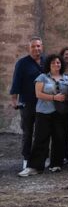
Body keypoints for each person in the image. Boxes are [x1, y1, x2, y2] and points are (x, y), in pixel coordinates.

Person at [18, 54, 68, 176]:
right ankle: (34, 167)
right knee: (40, 139)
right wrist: (54, 97)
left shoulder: (66, 78)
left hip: (59, 113)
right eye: (53, 62)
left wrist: (65, 97)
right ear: (48, 65)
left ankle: (56, 164)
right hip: (44, 112)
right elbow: (38, 94)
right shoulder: (42, 77)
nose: (56, 64)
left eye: (58, 62)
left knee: (59, 138)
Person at [10, 36, 44, 169]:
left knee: (42, 132)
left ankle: (40, 157)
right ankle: (26, 158)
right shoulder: (22, 63)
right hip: (27, 103)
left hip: (44, 102)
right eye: (33, 46)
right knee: (28, 132)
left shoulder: (46, 61)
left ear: (42, 47)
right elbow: (16, 82)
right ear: (29, 48)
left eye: (38, 46)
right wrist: (14, 100)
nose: (36, 48)